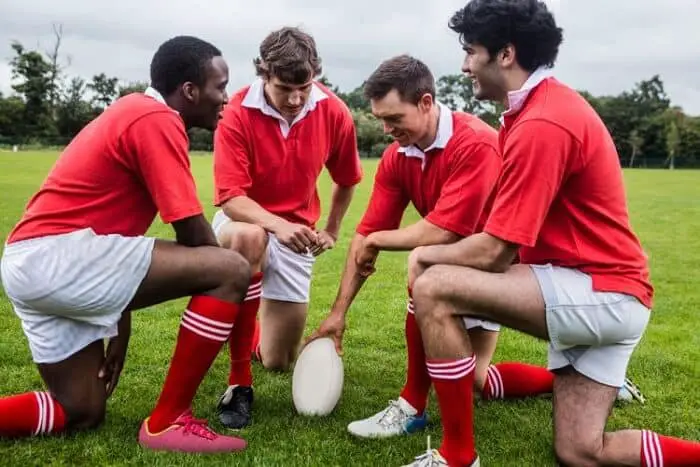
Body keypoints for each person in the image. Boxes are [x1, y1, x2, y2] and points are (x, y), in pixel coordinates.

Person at [402, 1, 700, 466]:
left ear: (506, 54)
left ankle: (458, 457)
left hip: (602, 292)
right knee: (581, 451)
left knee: (435, 287)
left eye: (471, 50)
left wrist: (427, 257)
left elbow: (499, 252)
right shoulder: (537, 109)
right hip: (610, 294)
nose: (464, 65)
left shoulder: (543, 121)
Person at [305, 55, 643, 442]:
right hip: (465, 265)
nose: (385, 129)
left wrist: (380, 240)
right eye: (381, 119)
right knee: (478, 380)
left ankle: (412, 407)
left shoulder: (475, 142)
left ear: (427, 103)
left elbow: (445, 233)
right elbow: (367, 234)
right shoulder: (396, 158)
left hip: (494, 267)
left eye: (394, 118)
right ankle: (590, 382)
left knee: (425, 268)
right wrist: (337, 314)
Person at [0, 36, 252, 454]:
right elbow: (190, 231)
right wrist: (226, 263)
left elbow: (117, 244)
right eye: (220, 87)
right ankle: (167, 422)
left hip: (32, 264)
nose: (225, 98)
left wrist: (118, 320)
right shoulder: (155, 118)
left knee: (80, 408)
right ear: (190, 91)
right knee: (230, 269)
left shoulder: (134, 110)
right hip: (58, 258)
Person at [211, 26, 363, 430]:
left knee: (279, 360)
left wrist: (330, 229)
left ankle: (254, 318)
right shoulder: (237, 110)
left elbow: (347, 178)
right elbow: (230, 197)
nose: (296, 99)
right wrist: (275, 224)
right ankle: (239, 382)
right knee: (250, 237)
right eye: (284, 88)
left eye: (305, 87)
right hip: (243, 222)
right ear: (264, 74)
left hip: (296, 235)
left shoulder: (334, 110)